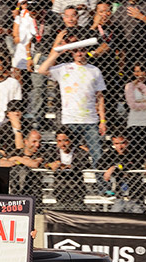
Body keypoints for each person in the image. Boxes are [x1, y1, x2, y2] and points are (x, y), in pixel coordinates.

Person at [38, 29, 107, 165]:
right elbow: (42, 70)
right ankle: (69, 177)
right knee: (67, 155)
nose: (79, 54)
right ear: (72, 53)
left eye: (82, 50)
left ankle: (100, 179)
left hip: (90, 121)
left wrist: (102, 120)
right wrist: (57, 52)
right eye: (75, 51)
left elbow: (100, 97)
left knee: (97, 155)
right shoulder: (64, 68)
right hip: (70, 120)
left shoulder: (95, 70)